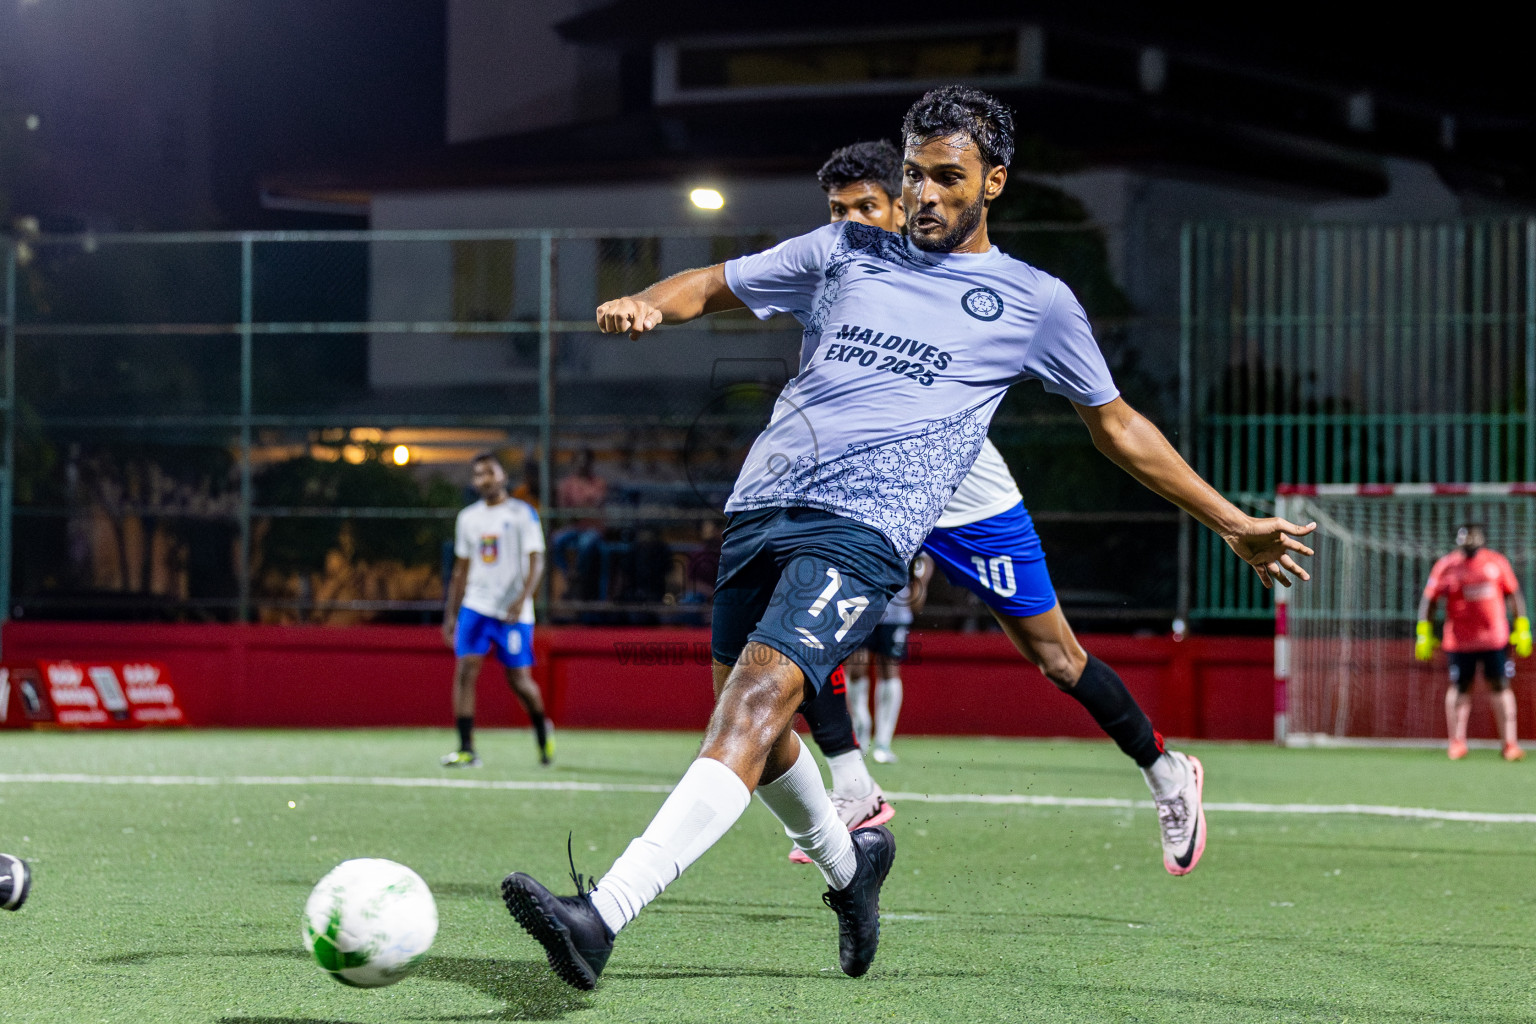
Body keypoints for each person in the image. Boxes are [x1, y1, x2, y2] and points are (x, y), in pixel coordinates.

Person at [499, 86, 1314, 992]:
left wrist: (1233, 520)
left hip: (873, 524)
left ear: (993, 182)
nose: (923, 194)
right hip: (764, 501)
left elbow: (1117, 426)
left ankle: (603, 915)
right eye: (914, 176)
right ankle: (854, 869)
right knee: (757, 730)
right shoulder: (846, 247)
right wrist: (648, 300)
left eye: (947, 178)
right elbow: (711, 283)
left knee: (772, 700)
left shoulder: (1036, 301)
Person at [796, 135, 1224, 877]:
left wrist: (1231, 520)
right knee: (801, 623)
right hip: (870, 491)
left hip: (968, 497)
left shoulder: (972, 280)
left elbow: (1112, 421)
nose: (852, 221)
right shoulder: (835, 270)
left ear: (903, 205)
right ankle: (853, 785)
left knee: (1057, 659)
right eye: (838, 210)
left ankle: (1165, 772)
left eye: (867, 206)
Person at [441, 452, 553, 767]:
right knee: (465, 672)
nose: (484, 479)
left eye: (489, 472)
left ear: (503, 476)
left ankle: (543, 731)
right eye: (478, 474)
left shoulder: (523, 513)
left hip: (512, 612)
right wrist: (451, 614)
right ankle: (466, 748)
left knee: (518, 679)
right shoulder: (468, 518)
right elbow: (461, 569)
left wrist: (522, 600)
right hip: (475, 606)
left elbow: (538, 560)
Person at [1416, 523, 1532, 761]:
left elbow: (1513, 594)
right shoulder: (1446, 566)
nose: (1469, 541)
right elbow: (1429, 600)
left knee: (1500, 686)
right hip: (1459, 642)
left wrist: (1522, 627)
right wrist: (1424, 632)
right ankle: (1457, 742)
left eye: (1473, 537)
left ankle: (1509, 744)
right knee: (1460, 688)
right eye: (1464, 538)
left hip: (1494, 640)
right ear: (1458, 540)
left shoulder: (1497, 562)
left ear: (1482, 538)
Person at [849, 553, 931, 764]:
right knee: (856, 669)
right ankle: (860, 732)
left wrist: (920, 588)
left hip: (895, 610)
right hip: (861, 607)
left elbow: (924, 561)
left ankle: (883, 742)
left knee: (889, 670)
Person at [551, 449, 608, 600]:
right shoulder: (566, 485)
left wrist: (578, 511)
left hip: (593, 528)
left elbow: (595, 507)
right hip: (573, 528)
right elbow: (564, 511)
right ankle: (568, 574)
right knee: (555, 540)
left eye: (585, 461)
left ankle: (578, 576)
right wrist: (582, 509)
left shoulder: (598, 483)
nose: (582, 464)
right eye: (579, 460)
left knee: (585, 543)